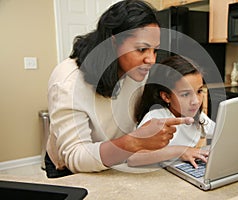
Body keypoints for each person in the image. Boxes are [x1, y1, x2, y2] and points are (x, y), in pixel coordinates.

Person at [45, 0, 193, 178]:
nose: (151, 60)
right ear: (113, 43)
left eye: (155, 50)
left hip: (117, 161)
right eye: (142, 49)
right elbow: (76, 157)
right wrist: (135, 142)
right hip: (70, 170)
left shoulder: (137, 70)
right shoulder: (68, 82)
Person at [127, 55, 215, 168]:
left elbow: (222, 133)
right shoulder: (156, 117)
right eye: (185, 94)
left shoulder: (198, 117)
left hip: (182, 173)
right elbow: (133, 158)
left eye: (199, 91)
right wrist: (180, 151)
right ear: (166, 97)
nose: (196, 101)